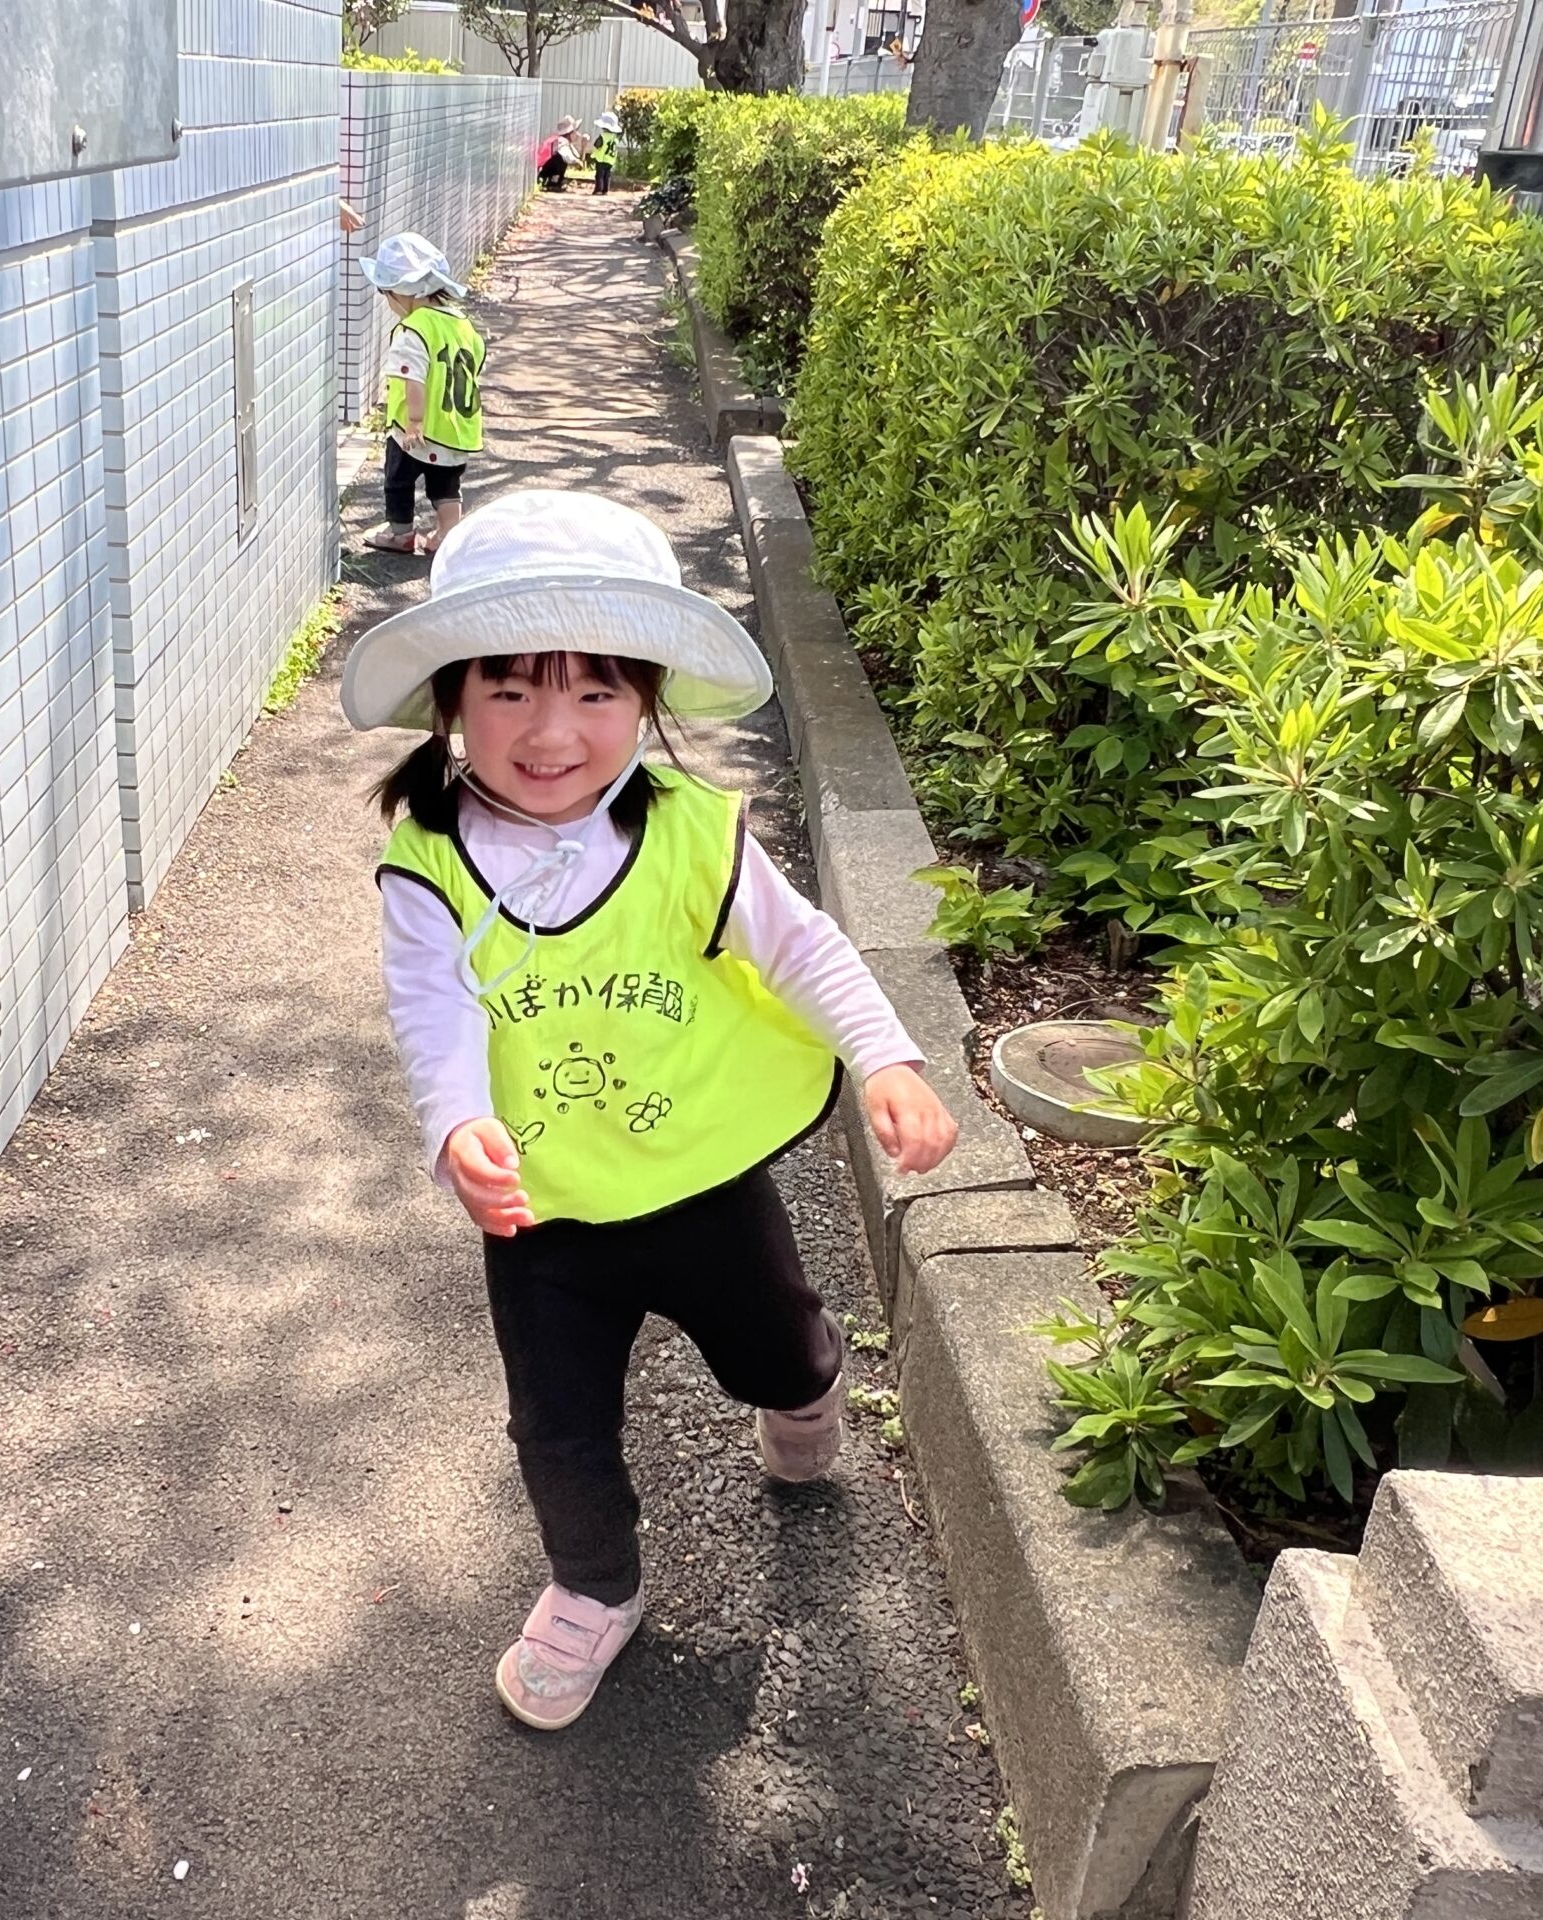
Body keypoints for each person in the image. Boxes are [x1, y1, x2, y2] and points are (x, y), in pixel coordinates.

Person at [342, 490, 961, 1731]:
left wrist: (886, 1057)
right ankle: (592, 1587)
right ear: (453, 702)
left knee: (777, 1349)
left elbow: (805, 949)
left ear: (645, 702)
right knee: (555, 1426)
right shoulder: (431, 861)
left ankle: (806, 1391)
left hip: (700, 1181)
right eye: (509, 691)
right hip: (545, 1211)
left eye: (594, 692)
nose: (551, 730)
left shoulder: (689, 834)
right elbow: (432, 1010)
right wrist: (455, 1125)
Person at [363, 232, 486, 557]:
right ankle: (447, 533)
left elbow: (412, 377)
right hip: (456, 428)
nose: (389, 303)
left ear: (405, 292)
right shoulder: (462, 324)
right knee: (446, 486)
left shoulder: (414, 328)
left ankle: (401, 533)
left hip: (414, 430)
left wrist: (415, 421)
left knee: (398, 480)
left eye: (387, 294)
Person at [536, 116, 581, 193]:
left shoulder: (560, 140)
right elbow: (567, 156)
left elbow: (574, 154)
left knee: (560, 160)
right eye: (575, 131)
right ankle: (554, 183)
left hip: (544, 167)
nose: (577, 134)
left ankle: (555, 181)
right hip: (546, 169)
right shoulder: (562, 142)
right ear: (569, 133)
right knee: (560, 159)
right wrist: (577, 162)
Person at [588, 112, 623, 196]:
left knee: (599, 175)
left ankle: (598, 189)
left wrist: (592, 154)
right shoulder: (615, 138)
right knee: (607, 175)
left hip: (601, 159)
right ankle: (605, 190)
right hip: (610, 160)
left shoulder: (603, 136)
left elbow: (597, 145)